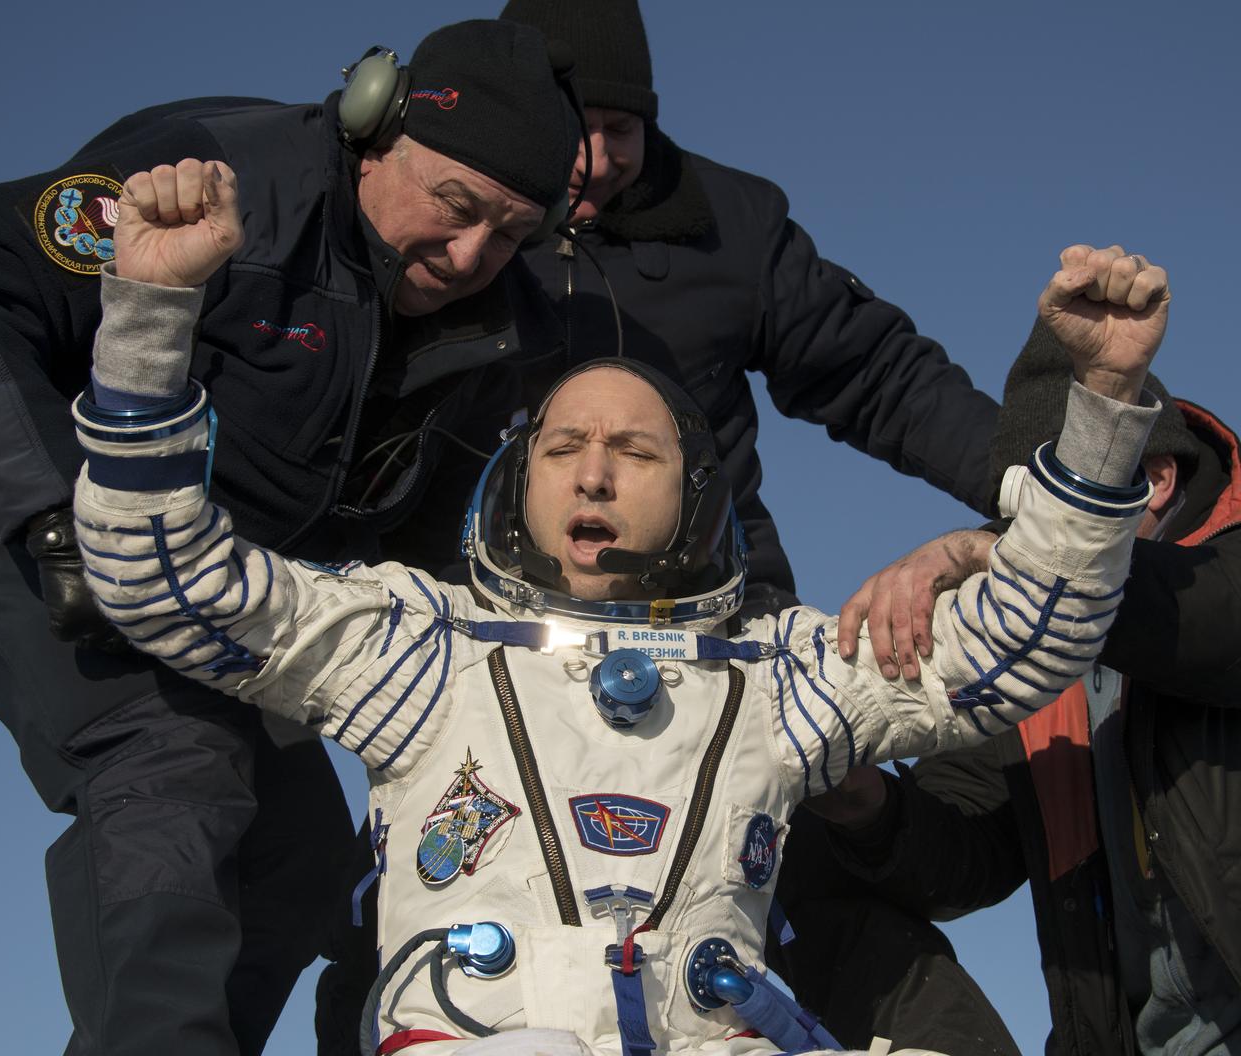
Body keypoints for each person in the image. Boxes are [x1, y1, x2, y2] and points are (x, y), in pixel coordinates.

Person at [70, 154, 1165, 1055]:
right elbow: (165, 577)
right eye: (564, 448)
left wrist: (1103, 407)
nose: (592, 475)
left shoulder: (768, 679)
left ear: (694, 498)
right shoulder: (417, 650)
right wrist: (151, 313)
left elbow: (1024, 643)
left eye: (632, 451)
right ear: (520, 479)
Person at [0, 19, 578, 1056]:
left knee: (296, 866)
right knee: (173, 767)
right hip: (19, 518)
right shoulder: (213, 180)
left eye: (510, 232)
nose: (471, 254)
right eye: (455, 206)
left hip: (218, 589)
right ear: (373, 126)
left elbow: (425, 548)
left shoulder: (498, 327)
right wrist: (51, 514)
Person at [808, 312, 1241, 1054]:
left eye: (1054, 511)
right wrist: (861, 801)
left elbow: (1207, 619)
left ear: (1158, 480)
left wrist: (993, 558)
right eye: (1019, 517)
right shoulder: (1039, 668)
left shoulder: (1219, 587)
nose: (1029, 543)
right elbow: (965, 849)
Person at [496, 0, 1000, 617]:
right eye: (571, 127)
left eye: (621, 128)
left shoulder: (734, 224)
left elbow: (876, 373)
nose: (596, 159)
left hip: (714, 611)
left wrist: (1037, 482)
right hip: (482, 608)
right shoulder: (456, 227)